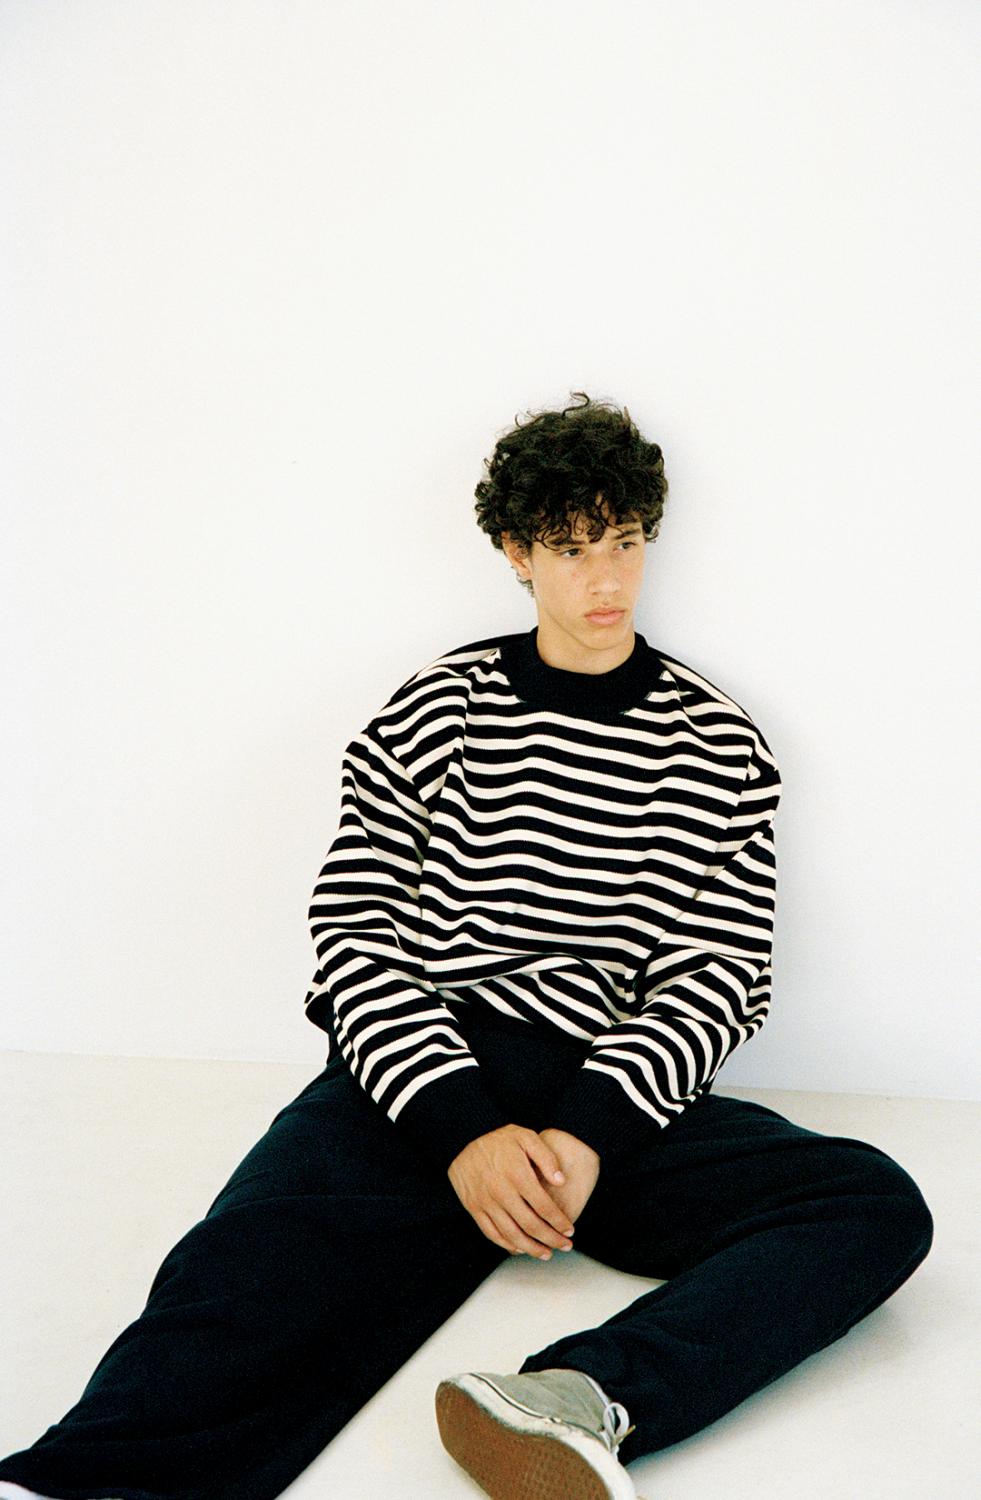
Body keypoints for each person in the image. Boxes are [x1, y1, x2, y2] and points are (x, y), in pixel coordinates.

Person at [0, 392, 933, 1500]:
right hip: (429, 1071)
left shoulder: (719, 744)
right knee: (237, 1275)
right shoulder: (437, 709)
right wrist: (462, 1129)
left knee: (867, 1206)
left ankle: (579, 1398)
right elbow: (355, 935)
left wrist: (588, 1133)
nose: (606, 579)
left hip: (605, 1088)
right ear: (516, 555)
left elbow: (721, 974)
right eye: (571, 549)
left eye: (625, 542)